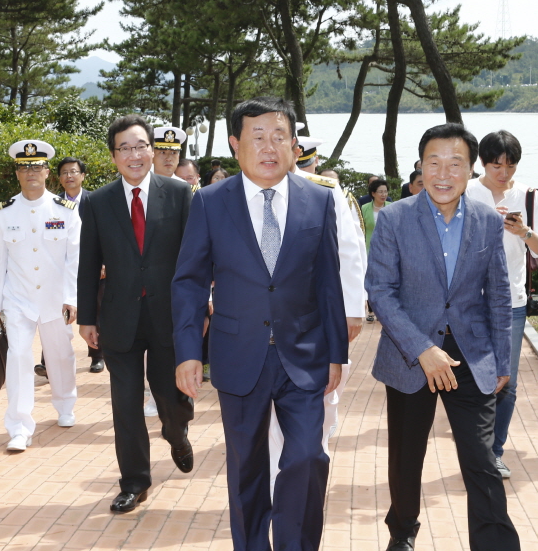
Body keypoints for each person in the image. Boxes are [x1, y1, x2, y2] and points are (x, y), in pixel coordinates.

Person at [173, 96, 347, 551]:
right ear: (235, 144)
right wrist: (189, 352)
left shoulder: (320, 201)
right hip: (238, 354)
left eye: (279, 137)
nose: (269, 147)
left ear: (293, 145)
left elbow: (330, 282)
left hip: (305, 356)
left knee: (308, 457)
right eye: (257, 137)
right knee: (246, 466)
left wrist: (337, 354)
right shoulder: (210, 203)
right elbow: (189, 282)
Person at [367, 122, 518, 551]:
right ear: (421, 167)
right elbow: (380, 290)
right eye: (434, 163)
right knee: (406, 457)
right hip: (411, 353)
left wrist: (502, 362)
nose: (444, 173)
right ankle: (402, 532)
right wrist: (422, 349)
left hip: (471, 355)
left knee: (481, 461)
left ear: (472, 170)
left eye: (456, 163)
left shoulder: (489, 221)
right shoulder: (395, 218)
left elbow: (499, 294)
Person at [77, 115, 195, 513]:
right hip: (119, 320)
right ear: (113, 157)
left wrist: (198, 309)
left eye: (140, 145)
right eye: (124, 148)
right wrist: (87, 319)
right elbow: (88, 263)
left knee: (170, 396)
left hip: (168, 317)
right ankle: (134, 482)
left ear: (153, 149)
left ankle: (177, 433)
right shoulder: (97, 202)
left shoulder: (180, 194)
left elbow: (194, 259)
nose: (134, 154)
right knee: (125, 404)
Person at [266, 134, 367, 494]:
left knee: (320, 399)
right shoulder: (250, 189)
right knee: (270, 418)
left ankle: (309, 476)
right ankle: (281, 483)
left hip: (318, 317)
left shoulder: (323, 191)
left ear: (296, 153)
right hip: (269, 323)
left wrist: (353, 310)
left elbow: (350, 251)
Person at [465, 130, 538, 479]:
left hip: (513, 303)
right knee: (473, 378)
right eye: (495, 164)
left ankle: (493, 452)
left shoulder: (528, 196)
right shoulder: (467, 191)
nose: (503, 172)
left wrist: (524, 232)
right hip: (469, 301)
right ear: (482, 163)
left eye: (510, 164)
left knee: (507, 381)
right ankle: (474, 449)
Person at [0, 140, 82, 453]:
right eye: (25, 167)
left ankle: (65, 404)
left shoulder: (64, 211)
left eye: (37, 166)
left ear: (47, 171)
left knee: (60, 355)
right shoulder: (3, 214)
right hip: (18, 299)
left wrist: (72, 297)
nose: (31, 173)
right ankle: (19, 426)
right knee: (18, 358)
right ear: (17, 173)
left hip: (55, 299)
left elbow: (74, 258)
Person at [35, 157, 104, 377]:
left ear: (83, 176)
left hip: (91, 265)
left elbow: (105, 235)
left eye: (74, 172)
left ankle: (96, 356)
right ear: (59, 178)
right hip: (60, 269)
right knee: (53, 313)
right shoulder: (51, 204)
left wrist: (104, 262)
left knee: (95, 309)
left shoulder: (96, 201)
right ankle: (48, 362)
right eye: (64, 172)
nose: (69, 176)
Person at [361, 177, 390, 252]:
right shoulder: (364, 208)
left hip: (388, 247)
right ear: (373, 193)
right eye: (380, 192)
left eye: (385, 192)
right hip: (369, 248)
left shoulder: (392, 207)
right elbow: (361, 229)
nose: (383, 195)